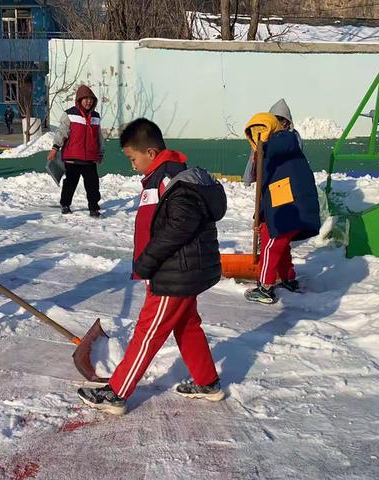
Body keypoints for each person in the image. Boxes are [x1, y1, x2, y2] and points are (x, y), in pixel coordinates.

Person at [77, 118, 227, 415]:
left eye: (133, 158)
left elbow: (180, 226)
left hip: (172, 272)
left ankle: (117, 393)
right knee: (187, 326)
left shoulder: (170, 180)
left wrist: (148, 260)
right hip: (179, 270)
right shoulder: (163, 177)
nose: (131, 165)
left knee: (148, 332)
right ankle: (208, 383)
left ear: (150, 151)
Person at [244, 113, 320, 305]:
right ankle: (288, 279)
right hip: (286, 204)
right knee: (281, 244)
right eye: (254, 132)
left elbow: (281, 144)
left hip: (290, 206)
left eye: (262, 129)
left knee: (272, 244)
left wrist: (264, 145)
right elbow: (268, 190)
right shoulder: (271, 157)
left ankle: (265, 288)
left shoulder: (284, 140)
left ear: (272, 127)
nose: (258, 135)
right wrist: (260, 216)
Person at [47, 85, 104, 217]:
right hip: (72, 157)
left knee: (93, 184)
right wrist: (55, 148)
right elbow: (62, 132)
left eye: (91, 99)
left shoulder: (96, 116)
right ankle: (65, 204)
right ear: (79, 100)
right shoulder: (70, 114)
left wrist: (100, 152)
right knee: (71, 183)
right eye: (85, 99)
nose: (88, 101)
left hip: (89, 158)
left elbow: (99, 136)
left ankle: (94, 208)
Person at [244, 98, 303, 186]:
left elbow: (298, 159)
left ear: (287, 121)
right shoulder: (264, 136)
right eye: (277, 119)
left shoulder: (293, 137)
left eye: (282, 120)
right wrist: (247, 179)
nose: (281, 124)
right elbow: (253, 158)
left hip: (287, 179)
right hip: (268, 177)